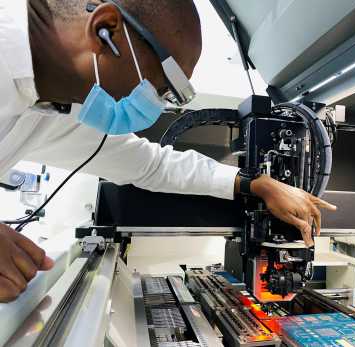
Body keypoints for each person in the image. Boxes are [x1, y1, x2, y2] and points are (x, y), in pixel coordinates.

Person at [0, 0, 336, 303]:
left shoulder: (54, 111)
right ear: (106, 30)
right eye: (162, 89)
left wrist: (256, 184)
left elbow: (151, 164)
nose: (157, 107)